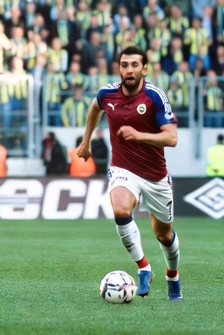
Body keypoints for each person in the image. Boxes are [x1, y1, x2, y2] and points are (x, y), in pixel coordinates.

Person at [76, 45, 182, 300]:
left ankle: (173, 277)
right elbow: (94, 108)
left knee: (164, 236)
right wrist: (86, 141)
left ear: (144, 69)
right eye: (125, 65)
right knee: (121, 209)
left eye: (135, 65)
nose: (129, 70)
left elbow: (172, 138)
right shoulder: (108, 94)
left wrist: (139, 135)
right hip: (123, 169)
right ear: (120, 69)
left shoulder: (155, 96)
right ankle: (144, 267)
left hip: (155, 177)